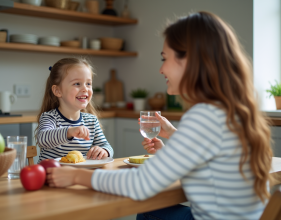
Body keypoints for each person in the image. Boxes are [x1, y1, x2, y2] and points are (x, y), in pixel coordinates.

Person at [45, 12, 273, 220]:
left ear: (190, 61)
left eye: (165, 58)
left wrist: (76, 177)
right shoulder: (231, 110)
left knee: (146, 209)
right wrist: (173, 136)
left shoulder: (204, 114)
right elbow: (210, 161)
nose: (161, 69)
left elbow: (141, 184)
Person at [35, 58, 113, 163]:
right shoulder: (50, 117)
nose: (85, 89)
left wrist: (103, 150)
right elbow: (43, 139)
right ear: (57, 90)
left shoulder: (91, 121)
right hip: (52, 175)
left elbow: (107, 146)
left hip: (79, 176)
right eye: (77, 84)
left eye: (88, 84)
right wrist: (69, 131)